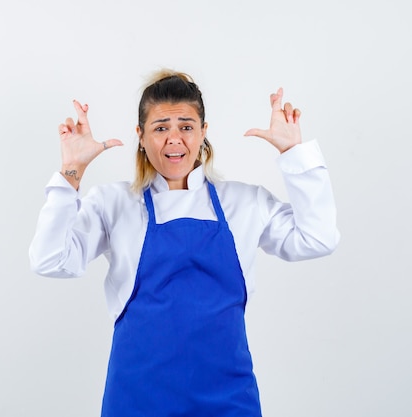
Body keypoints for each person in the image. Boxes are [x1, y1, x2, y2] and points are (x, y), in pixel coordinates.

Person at [29, 69, 340, 417]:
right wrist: (71, 171)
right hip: (137, 397)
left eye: (186, 126)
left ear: (204, 133)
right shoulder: (113, 204)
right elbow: (50, 260)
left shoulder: (245, 203)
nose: (174, 139)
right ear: (141, 137)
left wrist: (295, 153)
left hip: (229, 397)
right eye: (161, 128)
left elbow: (318, 239)